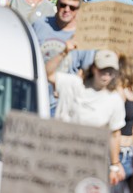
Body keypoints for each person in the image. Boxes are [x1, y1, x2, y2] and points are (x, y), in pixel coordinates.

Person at [47, 47, 126, 184]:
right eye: (103, 70)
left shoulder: (114, 100)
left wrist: (115, 165)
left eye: (110, 72)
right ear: (94, 68)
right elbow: (47, 74)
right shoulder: (73, 84)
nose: (106, 76)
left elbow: (114, 134)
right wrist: (64, 52)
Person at [31, 0, 93, 115]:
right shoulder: (40, 25)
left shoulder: (83, 36)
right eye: (63, 5)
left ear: (79, 10)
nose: (66, 10)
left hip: (59, 105)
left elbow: (86, 74)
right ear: (57, 3)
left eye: (72, 7)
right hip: (31, 95)